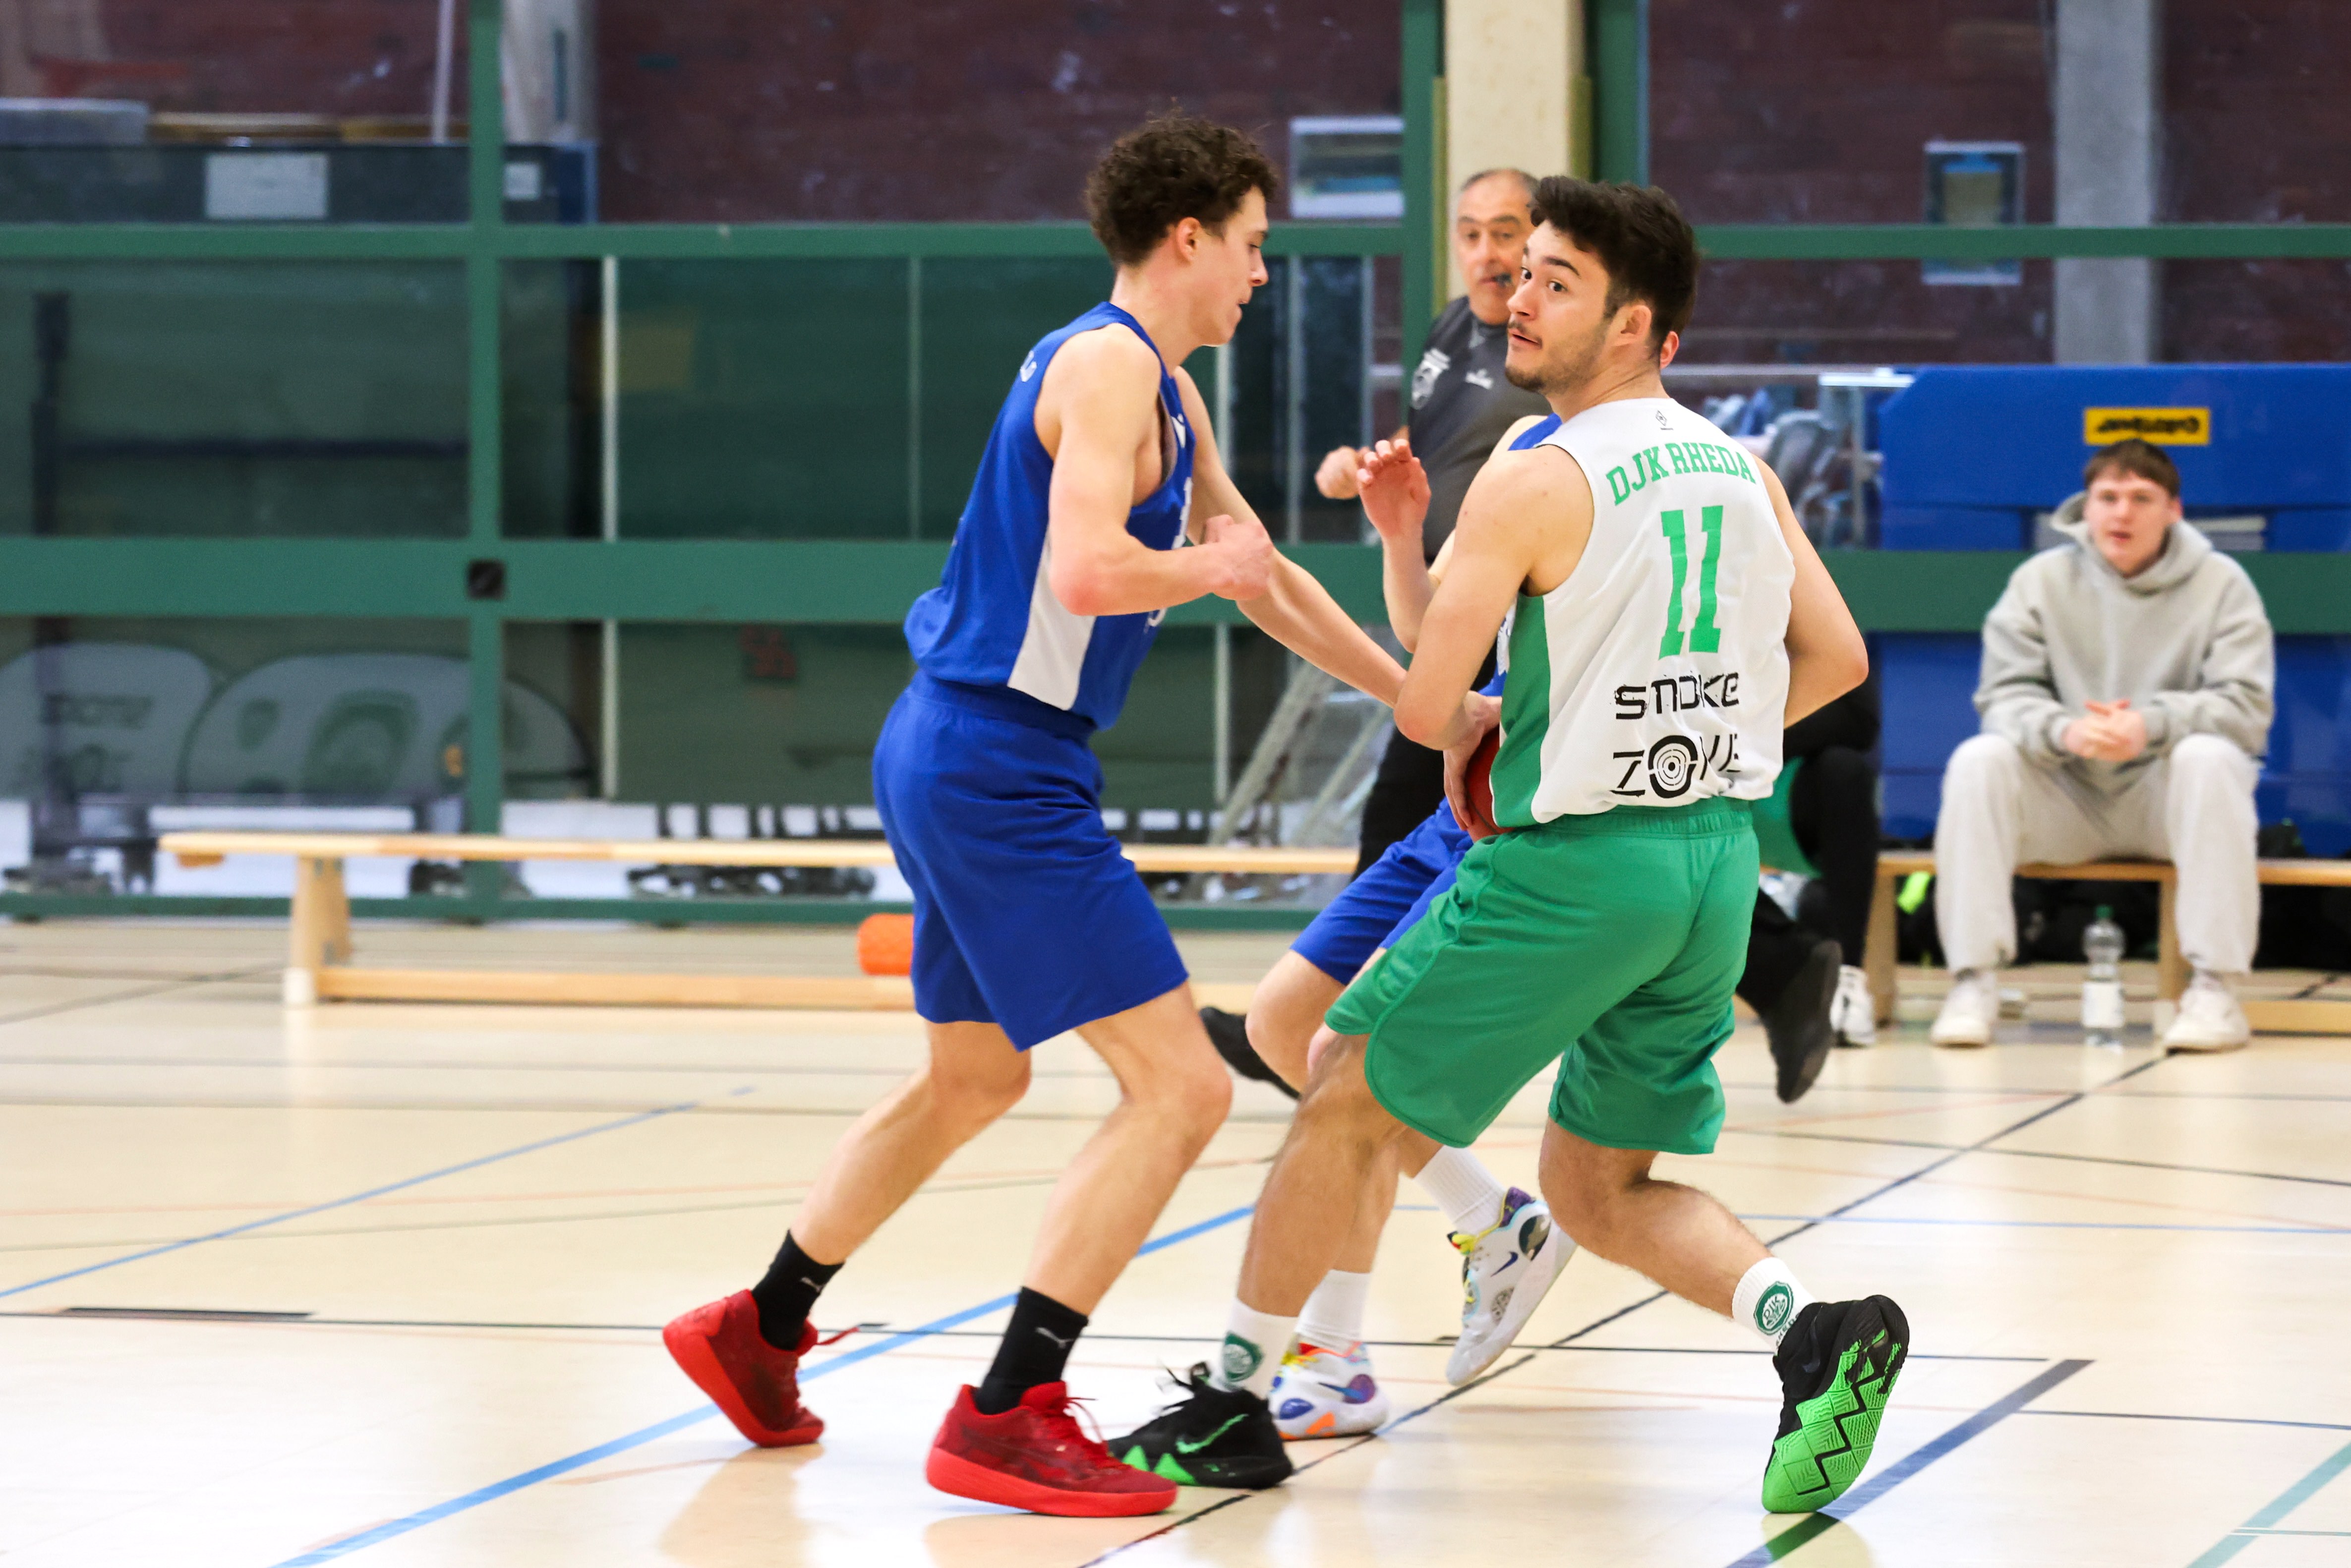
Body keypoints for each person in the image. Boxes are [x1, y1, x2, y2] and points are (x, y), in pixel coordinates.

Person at [1115, 177, 1907, 1519]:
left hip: (1571, 865)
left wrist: (1515, 717)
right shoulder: (1743, 469)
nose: (1519, 298)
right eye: (1521, 270)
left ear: (1632, 323)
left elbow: (1428, 705)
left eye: (1555, 280)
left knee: (1340, 1091)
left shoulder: (1535, 474)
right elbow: (1833, 659)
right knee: (1596, 1186)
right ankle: (1808, 1329)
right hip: (1712, 865)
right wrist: (1687, 734)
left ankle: (1235, 1403)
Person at [658, 114, 1414, 1520]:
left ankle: (759, 1326)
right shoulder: (1107, 366)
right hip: (994, 761)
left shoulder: (1161, 390)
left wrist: (1423, 700)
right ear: (1186, 237)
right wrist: (1204, 566)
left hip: (959, 745)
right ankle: (1009, 1408)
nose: (1262, 272)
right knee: (1182, 1086)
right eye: (1252, 245)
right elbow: (1087, 572)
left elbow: (1262, 574)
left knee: (972, 1077)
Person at [1929, 438, 2274, 1052]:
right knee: (1977, 761)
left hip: (2164, 797)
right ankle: (1972, 982)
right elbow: (2001, 698)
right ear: (2083, 508)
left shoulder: (2223, 584)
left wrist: (2149, 724)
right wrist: (2065, 730)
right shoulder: (2037, 581)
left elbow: (2246, 709)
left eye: (2141, 498)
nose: (2121, 513)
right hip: (2067, 795)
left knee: (2210, 757)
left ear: (2173, 510)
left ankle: (2214, 990)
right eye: (2107, 497)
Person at [1318, 168, 1550, 872]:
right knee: (1425, 807)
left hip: (1494, 614)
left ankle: (1362, 944)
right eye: (1470, 235)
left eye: (1504, 235)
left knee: (1404, 802)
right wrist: (1367, 464)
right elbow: (1430, 440)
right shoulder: (1452, 324)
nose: (1485, 254)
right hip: (1432, 595)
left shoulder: (1541, 352)